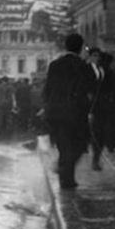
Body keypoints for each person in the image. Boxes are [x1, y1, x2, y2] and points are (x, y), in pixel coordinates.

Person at [43, 33, 95, 189]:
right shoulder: (83, 66)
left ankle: (66, 178)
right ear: (80, 48)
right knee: (79, 144)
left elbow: (48, 89)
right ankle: (66, 176)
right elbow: (91, 87)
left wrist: (49, 106)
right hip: (75, 113)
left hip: (56, 112)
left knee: (63, 145)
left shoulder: (54, 65)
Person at [87, 49, 115, 170]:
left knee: (99, 133)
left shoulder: (104, 70)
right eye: (94, 56)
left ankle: (96, 158)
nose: (97, 58)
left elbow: (110, 87)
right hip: (88, 105)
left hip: (102, 106)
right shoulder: (85, 70)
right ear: (90, 57)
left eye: (99, 56)